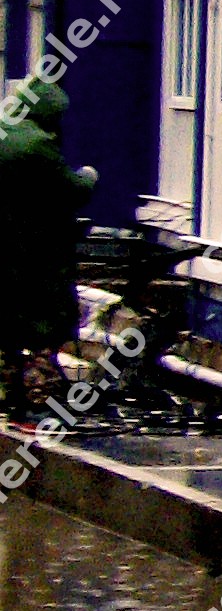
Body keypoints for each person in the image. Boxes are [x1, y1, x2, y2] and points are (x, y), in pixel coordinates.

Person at [0, 73, 96, 423]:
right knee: (45, 317)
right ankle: (39, 395)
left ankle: (10, 390)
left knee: (8, 320)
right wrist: (88, 176)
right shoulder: (37, 145)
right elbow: (69, 189)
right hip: (36, 250)